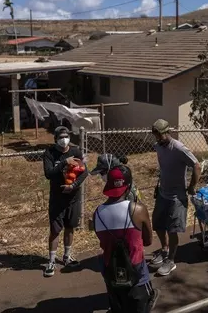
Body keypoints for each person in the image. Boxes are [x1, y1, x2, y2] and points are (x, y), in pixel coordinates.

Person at [94, 165, 158, 312]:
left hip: (111, 271)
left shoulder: (97, 213)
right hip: (136, 271)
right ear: (129, 186)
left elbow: (102, 241)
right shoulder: (138, 209)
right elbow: (148, 241)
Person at [150, 119, 202, 276]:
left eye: (160, 135)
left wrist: (192, 186)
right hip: (162, 192)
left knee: (172, 229)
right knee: (158, 224)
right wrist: (158, 185)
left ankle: (171, 261)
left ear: (167, 132)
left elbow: (197, 165)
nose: (158, 139)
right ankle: (164, 249)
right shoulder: (158, 146)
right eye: (156, 136)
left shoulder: (179, 148)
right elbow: (164, 168)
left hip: (176, 197)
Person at [42, 126, 88, 277]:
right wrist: (64, 162)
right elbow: (48, 174)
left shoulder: (75, 151)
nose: (64, 139)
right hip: (57, 199)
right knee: (55, 230)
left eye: (66, 136)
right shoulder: (49, 154)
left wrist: (73, 185)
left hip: (73, 198)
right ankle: (51, 261)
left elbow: (84, 171)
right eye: (61, 137)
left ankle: (67, 256)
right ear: (56, 139)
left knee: (70, 228)